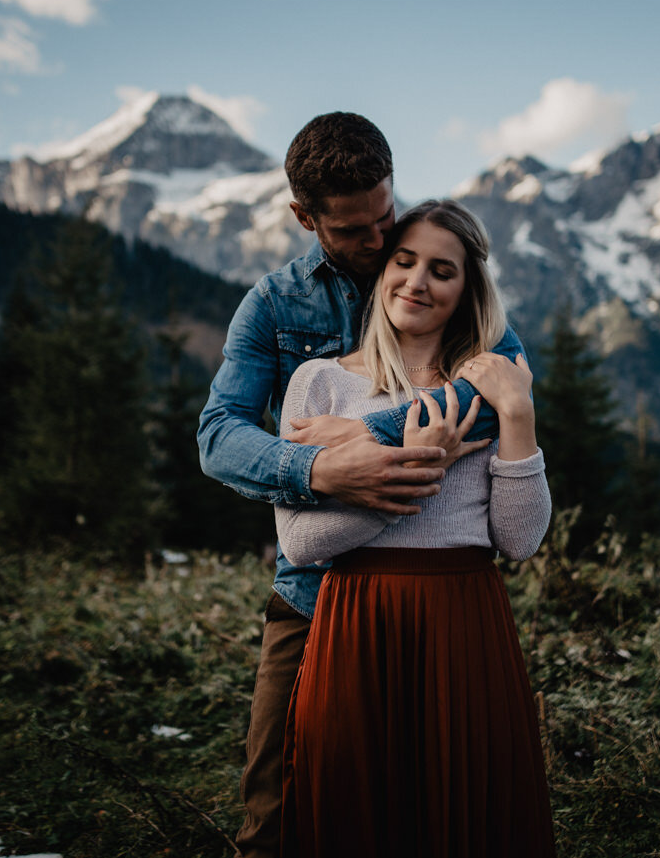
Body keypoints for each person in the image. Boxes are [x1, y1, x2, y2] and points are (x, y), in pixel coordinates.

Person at [197, 113, 525, 858]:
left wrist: (361, 439)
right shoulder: (274, 307)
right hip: (312, 587)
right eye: (353, 231)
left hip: (432, 601)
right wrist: (315, 466)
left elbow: (497, 395)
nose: (379, 245)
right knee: (277, 815)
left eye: (385, 215)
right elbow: (218, 435)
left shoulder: (429, 262)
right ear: (303, 217)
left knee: (423, 812)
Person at [276, 199, 555, 857]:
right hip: (358, 623)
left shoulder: (488, 388)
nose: (418, 281)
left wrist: (517, 414)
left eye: (442, 269)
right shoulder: (320, 385)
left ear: (467, 288)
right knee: (360, 810)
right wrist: (417, 470)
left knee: (463, 815)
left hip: (463, 620)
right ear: (381, 272)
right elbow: (301, 541)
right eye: (404, 262)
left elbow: (520, 540)